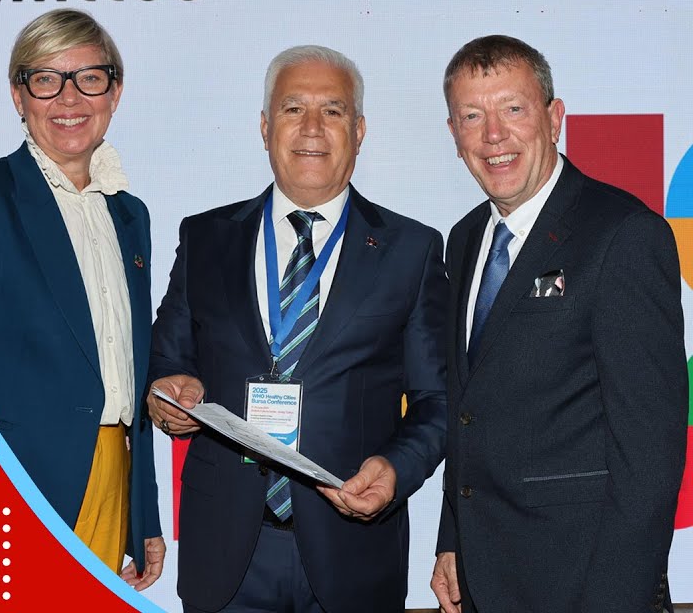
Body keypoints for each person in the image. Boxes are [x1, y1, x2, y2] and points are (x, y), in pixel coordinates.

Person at [148, 45, 448, 613]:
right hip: (226, 553)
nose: (312, 127)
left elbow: (438, 400)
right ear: (265, 128)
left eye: (333, 110)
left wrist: (395, 469)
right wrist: (166, 399)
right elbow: (166, 363)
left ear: (359, 131)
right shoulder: (206, 238)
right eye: (293, 109)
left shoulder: (411, 250)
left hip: (353, 550)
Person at [430, 35, 687, 613]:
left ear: (554, 119)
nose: (494, 135)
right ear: (454, 134)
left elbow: (650, 456)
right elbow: (468, 408)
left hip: (587, 587)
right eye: (472, 116)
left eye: (512, 109)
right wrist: (453, 539)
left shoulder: (623, 235)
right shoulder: (465, 239)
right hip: (485, 579)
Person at [0, 8, 164, 589]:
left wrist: (144, 515)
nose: (69, 98)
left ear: (115, 92)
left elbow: (132, 371)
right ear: (18, 96)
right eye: (46, 80)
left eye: (89, 78)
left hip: (111, 478)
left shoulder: (131, 216)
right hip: (16, 489)